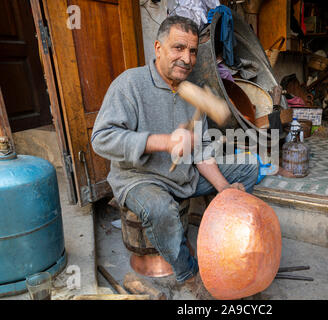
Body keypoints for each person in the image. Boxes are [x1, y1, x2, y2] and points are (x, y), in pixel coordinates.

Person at [91, 15, 259, 298]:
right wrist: (163, 141)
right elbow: (101, 139)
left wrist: (225, 190)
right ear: (158, 48)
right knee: (162, 210)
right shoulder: (129, 84)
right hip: (139, 178)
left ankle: (223, 233)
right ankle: (187, 273)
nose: (187, 58)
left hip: (184, 174)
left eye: (192, 51)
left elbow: (203, 153)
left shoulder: (192, 91)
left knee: (249, 166)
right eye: (178, 48)